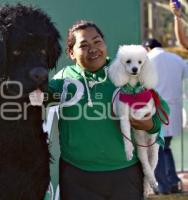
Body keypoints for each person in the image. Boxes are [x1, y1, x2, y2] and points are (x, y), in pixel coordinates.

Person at [48, 21, 168, 200]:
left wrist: (150, 124)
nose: (93, 49)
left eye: (97, 42)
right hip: (77, 178)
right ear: (71, 53)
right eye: (84, 45)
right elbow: (37, 99)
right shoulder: (63, 80)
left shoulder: (128, 72)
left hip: (125, 176)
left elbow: (160, 111)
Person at [144, 38, 187, 194]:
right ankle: (173, 182)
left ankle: (163, 186)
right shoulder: (176, 59)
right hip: (173, 109)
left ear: (148, 48)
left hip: (155, 109)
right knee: (165, 147)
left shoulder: (147, 59)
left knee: (158, 149)